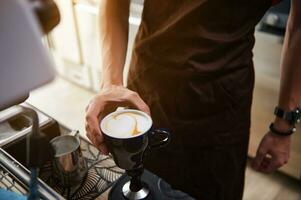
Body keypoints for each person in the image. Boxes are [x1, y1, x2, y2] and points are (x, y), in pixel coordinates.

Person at [85, 0, 301, 199]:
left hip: (222, 111)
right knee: (145, 189)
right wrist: (111, 84)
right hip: (148, 95)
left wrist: (285, 123)